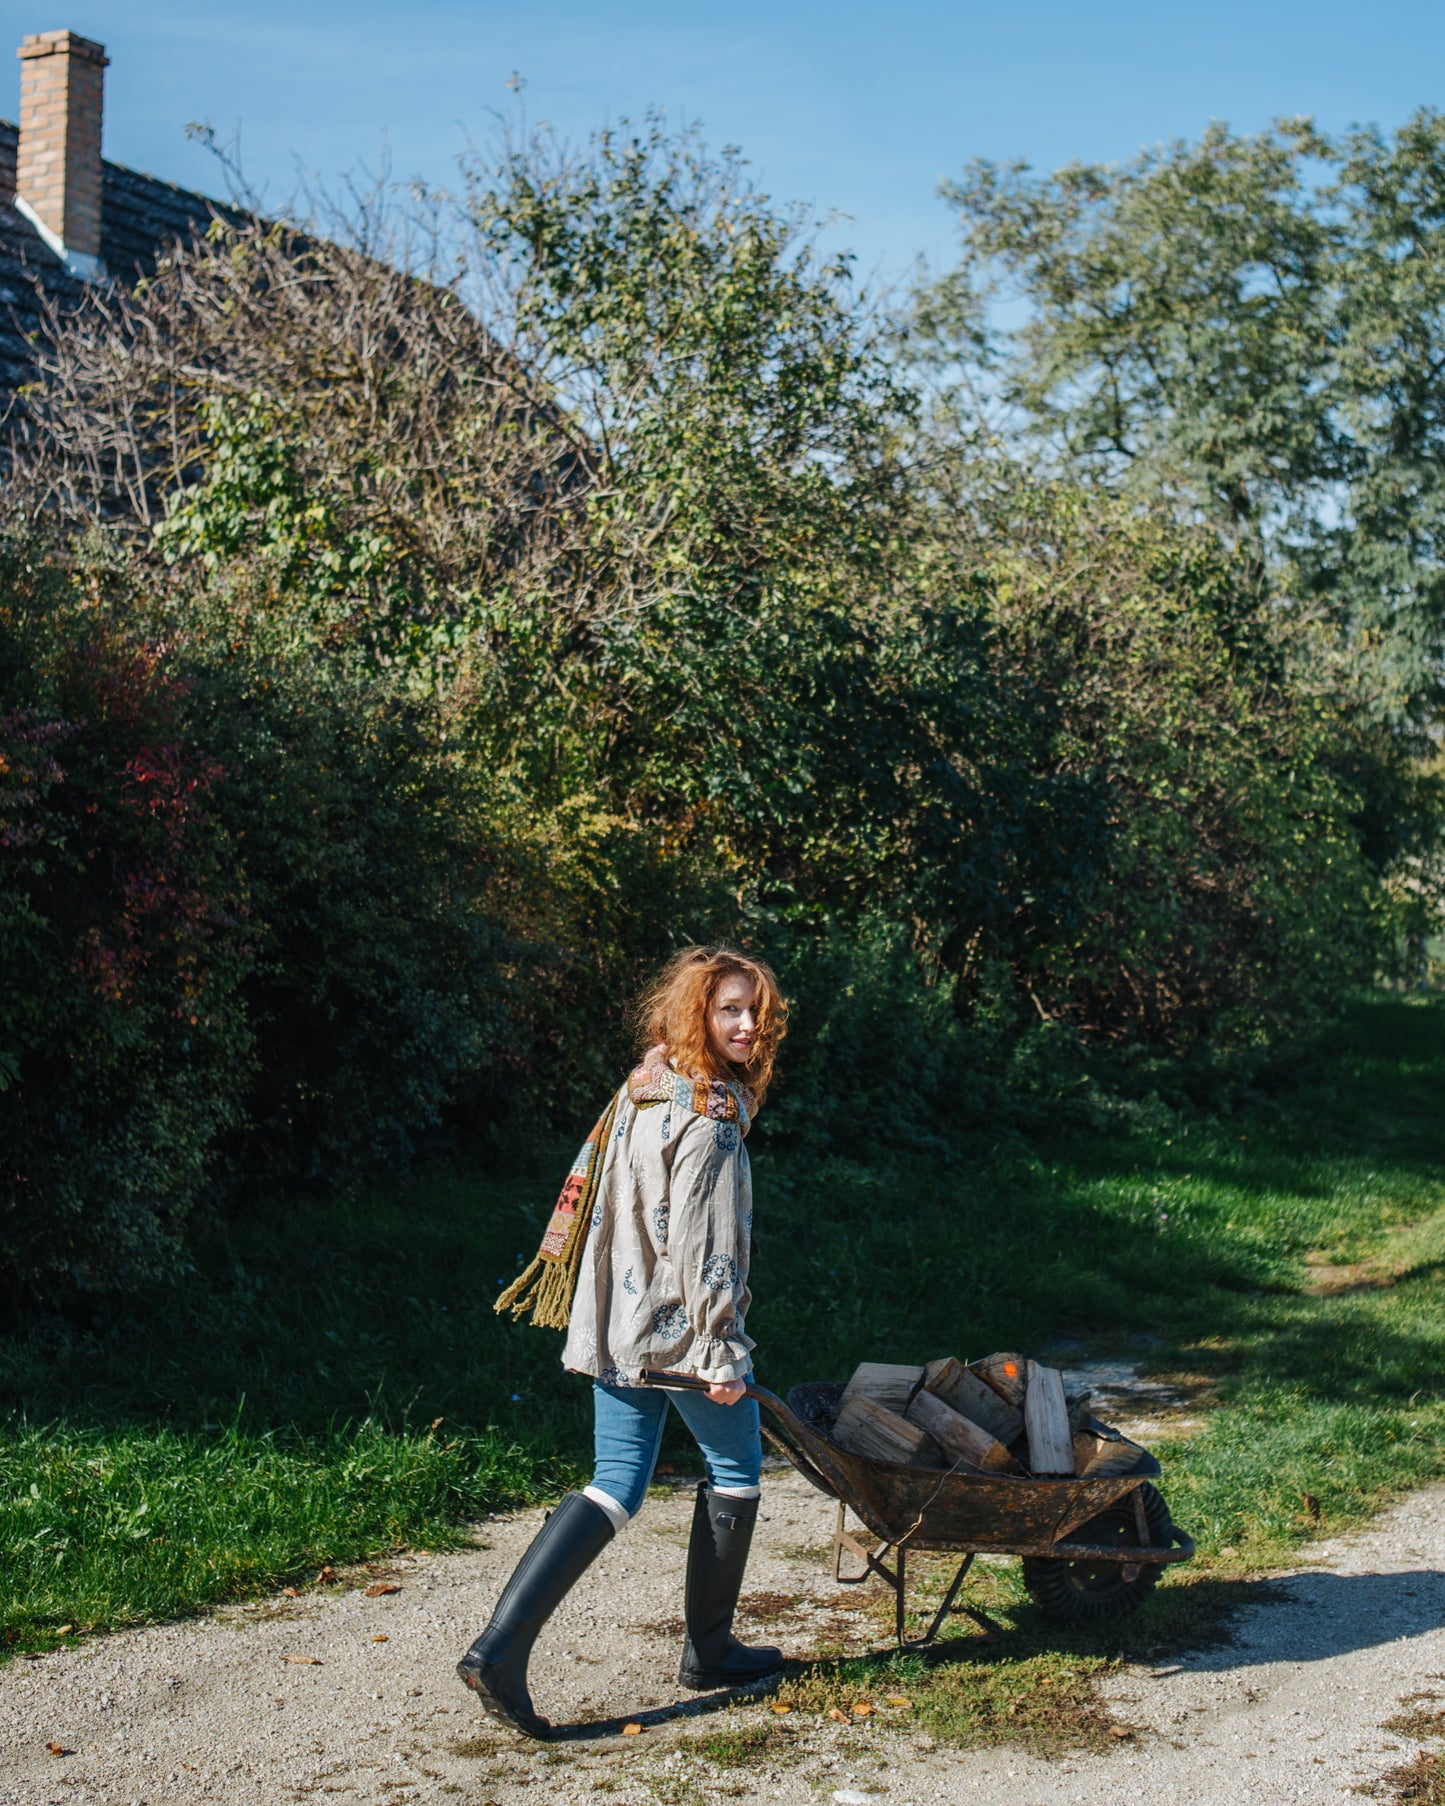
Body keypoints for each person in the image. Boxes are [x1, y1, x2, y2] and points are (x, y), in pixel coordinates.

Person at [457, 945, 788, 1740]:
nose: (748, 1025)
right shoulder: (708, 1120)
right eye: (730, 1010)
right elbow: (706, 1257)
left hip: (616, 1320)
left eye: (756, 1011)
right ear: (698, 1017)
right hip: (677, 1334)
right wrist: (722, 1356)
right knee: (737, 1465)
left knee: (616, 1483)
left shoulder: (644, 1088)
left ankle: (498, 1650)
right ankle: (708, 1652)